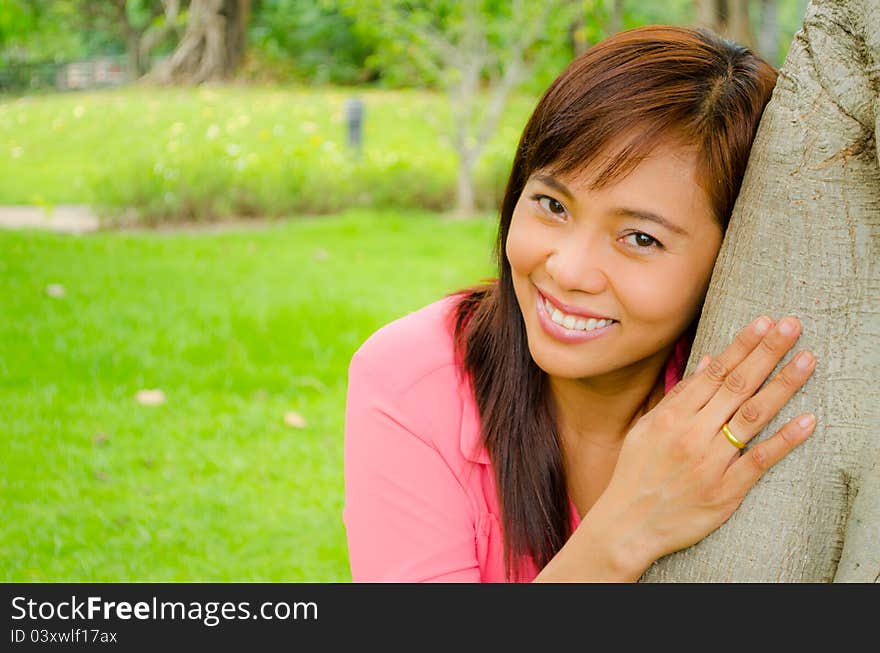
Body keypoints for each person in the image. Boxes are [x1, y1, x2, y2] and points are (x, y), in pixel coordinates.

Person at [342, 25, 818, 582]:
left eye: (640, 238)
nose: (566, 269)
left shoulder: (759, 403)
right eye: (553, 204)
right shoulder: (415, 381)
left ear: (732, 259)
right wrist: (625, 530)